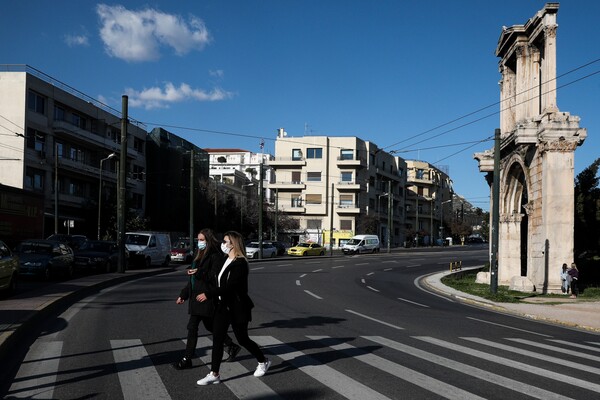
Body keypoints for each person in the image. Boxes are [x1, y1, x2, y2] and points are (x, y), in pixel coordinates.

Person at [196, 231, 271, 385]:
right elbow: (215, 278)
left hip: (237, 307)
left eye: (225, 241)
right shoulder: (224, 259)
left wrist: (208, 294)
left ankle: (263, 361)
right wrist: (198, 273)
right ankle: (214, 374)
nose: (222, 244)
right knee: (217, 339)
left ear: (233, 244)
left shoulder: (240, 264)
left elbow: (230, 287)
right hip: (223, 306)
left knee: (243, 339)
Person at [173, 229, 241, 370]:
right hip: (196, 297)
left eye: (202, 240)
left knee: (192, 327)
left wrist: (199, 273)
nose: (199, 242)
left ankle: (187, 359)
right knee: (211, 326)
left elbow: (214, 277)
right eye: (198, 240)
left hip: (206, 297)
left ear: (209, 241)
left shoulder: (215, 256)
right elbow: (192, 281)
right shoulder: (198, 256)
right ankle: (231, 346)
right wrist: (183, 295)